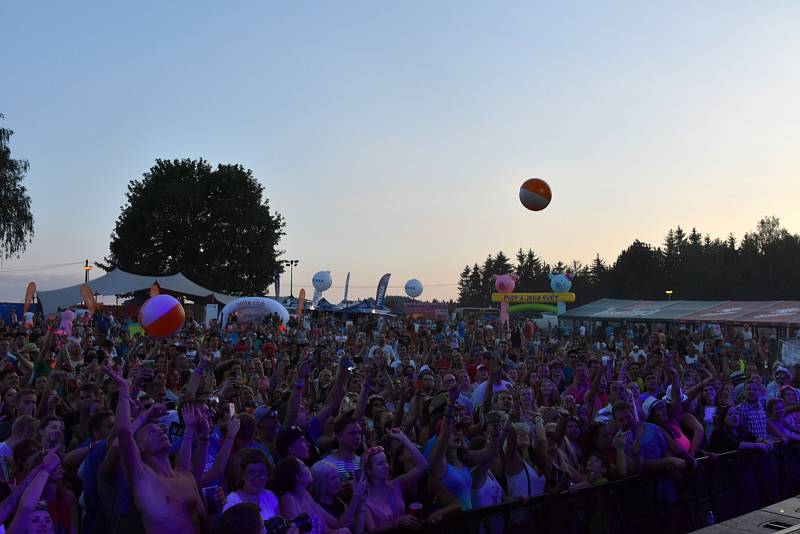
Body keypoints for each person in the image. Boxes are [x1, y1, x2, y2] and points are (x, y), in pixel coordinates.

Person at [102, 365, 211, 533]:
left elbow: (191, 466)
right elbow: (123, 434)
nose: (161, 431)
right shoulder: (142, 477)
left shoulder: (183, 474)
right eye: (152, 431)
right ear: (139, 447)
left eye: (160, 429)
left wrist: (195, 430)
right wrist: (125, 390)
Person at [274, 456, 364, 534]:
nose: (309, 468)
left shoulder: (306, 495)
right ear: (298, 476)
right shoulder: (287, 499)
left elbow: (330, 529)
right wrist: (356, 497)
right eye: (304, 466)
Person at [362, 428, 428, 532]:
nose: (385, 466)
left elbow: (423, 465)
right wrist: (397, 522)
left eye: (385, 461)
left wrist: (404, 439)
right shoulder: (364, 498)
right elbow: (372, 530)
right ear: (369, 470)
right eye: (380, 464)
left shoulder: (397, 483)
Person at [223, 448, 280, 522]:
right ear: (242, 475)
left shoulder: (270, 496)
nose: (257, 477)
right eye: (251, 472)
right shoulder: (232, 501)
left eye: (262, 472)